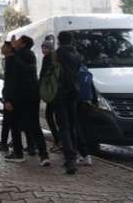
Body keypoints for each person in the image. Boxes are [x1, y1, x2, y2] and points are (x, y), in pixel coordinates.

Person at [3, 35, 50, 166]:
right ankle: (44, 155)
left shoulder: (12, 58)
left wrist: (7, 99)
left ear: (22, 44)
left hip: (18, 97)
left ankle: (18, 153)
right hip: (33, 95)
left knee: (15, 125)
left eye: (17, 41)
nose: (14, 42)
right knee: (35, 126)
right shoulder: (31, 56)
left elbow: (10, 80)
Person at [54, 31, 83, 175]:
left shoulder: (58, 54)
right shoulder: (77, 55)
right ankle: (74, 155)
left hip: (60, 93)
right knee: (72, 125)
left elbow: (51, 73)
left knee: (63, 126)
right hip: (74, 92)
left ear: (59, 41)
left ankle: (70, 159)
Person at [39, 40, 61, 152]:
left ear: (50, 48)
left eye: (46, 48)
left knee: (49, 116)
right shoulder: (57, 57)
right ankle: (60, 140)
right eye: (43, 47)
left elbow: (43, 75)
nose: (44, 50)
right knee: (57, 117)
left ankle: (58, 140)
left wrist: (40, 88)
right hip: (58, 92)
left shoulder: (47, 58)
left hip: (52, 92)